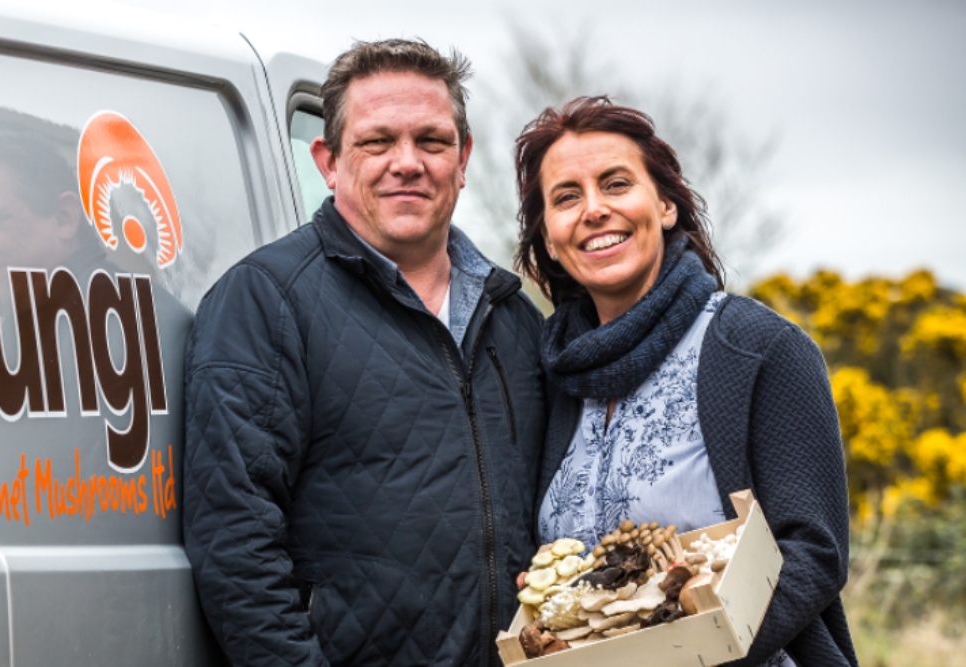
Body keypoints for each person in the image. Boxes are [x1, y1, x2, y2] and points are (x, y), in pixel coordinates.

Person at [182, 39, 546, 667]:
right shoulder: (266, 301)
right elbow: (235, 541)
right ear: (327, 160)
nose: (407, 163)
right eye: (377, 142)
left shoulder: (514, 317)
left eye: (431, 141)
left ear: (463, 159)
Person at [514, 97, 858, 666]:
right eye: (567, 197)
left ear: (667, 205)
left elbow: (814, 553)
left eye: (616, 183)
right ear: (550, 239)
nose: (594, 210)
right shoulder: (554, 372)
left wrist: (681, 654)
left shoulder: (757, 348)